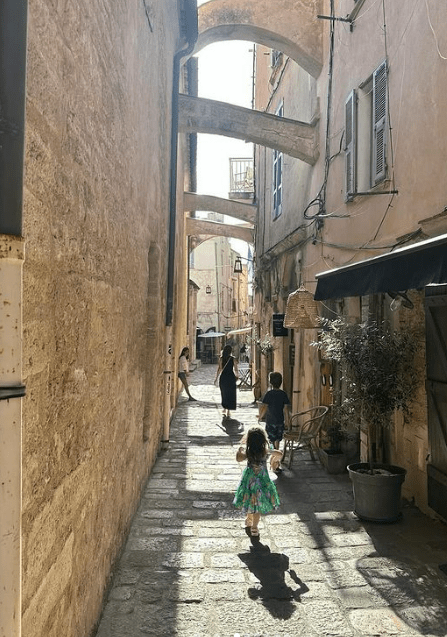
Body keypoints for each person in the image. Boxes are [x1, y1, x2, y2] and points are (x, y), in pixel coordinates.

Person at [233, 427, 281, 538]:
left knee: (250, 501)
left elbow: (238, 459)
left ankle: (250, 519)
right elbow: (279, 453)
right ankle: (254, 526)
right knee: (257, 505)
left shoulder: (248, 452)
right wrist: (274, 460)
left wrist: (239, 450)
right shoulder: (265, 451)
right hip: (262, 482)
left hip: (249, 481)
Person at [258, 372, 291, 470]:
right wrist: (288, 422)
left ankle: (273, 458)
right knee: (277, 440)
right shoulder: (283, 394)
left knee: (271, 441)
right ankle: (276, 462)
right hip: (280, 421)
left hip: (270, 421)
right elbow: (286, 410)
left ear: (270, 382)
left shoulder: (269, 394)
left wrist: (260, 417)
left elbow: (264, 407)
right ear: (281, 382)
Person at [214, 344, 238, 419]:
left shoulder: (221, 359)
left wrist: (216, 378)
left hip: (223, 377)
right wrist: (238, 376)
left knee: (224, 393)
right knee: (231, 393)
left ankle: (224, 408)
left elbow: (219, 369)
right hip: (231, 377)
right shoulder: (233, 359)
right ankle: (228, 411)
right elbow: (236, 369)